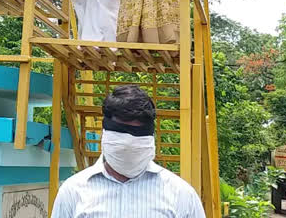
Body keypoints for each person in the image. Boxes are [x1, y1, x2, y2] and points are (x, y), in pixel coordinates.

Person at [51, 85, 205, 217]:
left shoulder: (181, 195)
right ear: (106, 132)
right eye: (122, 131)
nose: (130, 142)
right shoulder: (73, 192)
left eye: (139, 133)